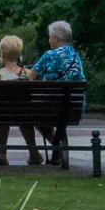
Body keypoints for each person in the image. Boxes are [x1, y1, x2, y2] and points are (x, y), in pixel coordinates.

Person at [0, 35, 44, 166]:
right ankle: (34, 153)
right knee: (21, 113)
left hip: (3, 114)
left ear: (2, 53)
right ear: (19, 53)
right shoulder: (28, 73)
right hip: (25, 114)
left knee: (2, 111)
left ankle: (1, 153)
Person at [27, 20, 85, 165]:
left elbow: (30, 77)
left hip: (51, 108)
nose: (48, 40)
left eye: (49, 37)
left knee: (26, 116)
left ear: (55, 38)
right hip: (74, 109)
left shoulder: (50, 55)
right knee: (46, 120)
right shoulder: (76, 56)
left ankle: (35, 155)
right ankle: (57, 150)